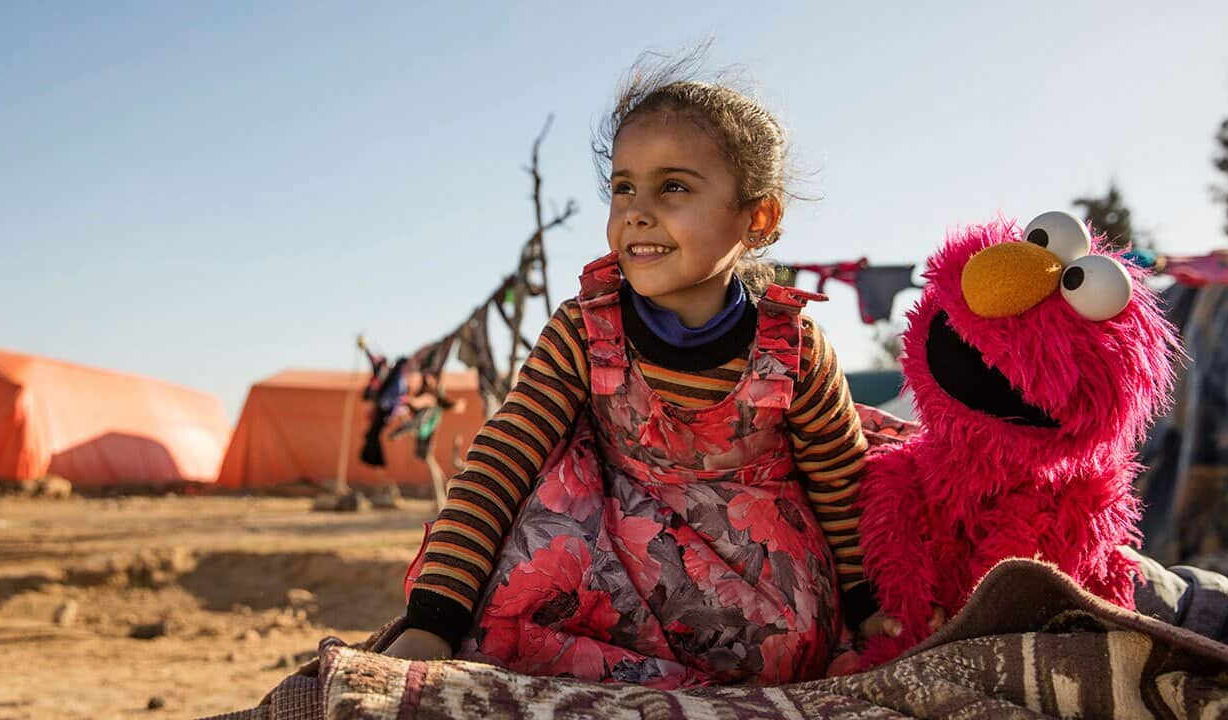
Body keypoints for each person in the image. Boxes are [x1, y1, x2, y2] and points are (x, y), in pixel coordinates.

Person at [383, 54, 895, 687]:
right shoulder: (583, 330)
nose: (637, 212)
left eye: (673, 186)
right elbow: (502, 460)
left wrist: (872, 608)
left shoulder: (795, 350)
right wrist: (433, 615)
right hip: (610, 593)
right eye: (623, 187)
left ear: (757, 220)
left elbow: (843, 486)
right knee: (549, 481)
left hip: (762, 618)